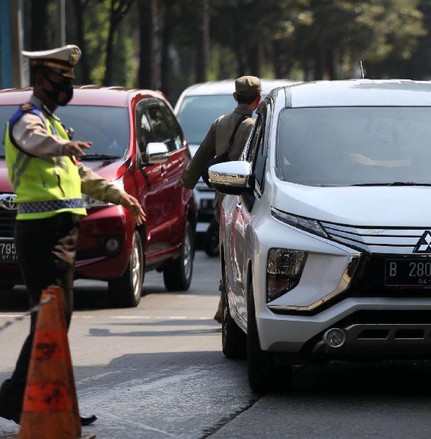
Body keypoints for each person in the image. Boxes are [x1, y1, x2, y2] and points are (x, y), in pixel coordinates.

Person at [0, 44, 146, 425]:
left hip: (62, 233)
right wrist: (61, 145)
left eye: (69, 80)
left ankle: (40, 398)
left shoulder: (53, 122)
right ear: (41, 81)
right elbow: (31, 141)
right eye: (60, 80)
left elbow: (79, 174)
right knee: (50, 318)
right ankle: (20, 397)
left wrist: (119, 195)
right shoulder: (27, 119)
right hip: (41, 234)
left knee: (55, 320)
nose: (66, 87)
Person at [180, 75, 262, 323]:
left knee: (227, 252)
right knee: (241, 255)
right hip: (245, 199)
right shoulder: (255, 126)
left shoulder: (220, 123)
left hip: (221, 197)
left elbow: (201, 157)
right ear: (258, 100)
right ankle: (226, 305)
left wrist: (185, 185)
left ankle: (222, 304)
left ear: (235, 97)